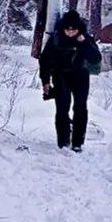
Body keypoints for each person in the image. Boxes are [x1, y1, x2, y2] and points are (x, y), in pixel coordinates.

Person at [39, 10, 102, 152]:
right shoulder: (56, 38)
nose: (70, 32)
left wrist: (84, 43)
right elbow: (45, 61)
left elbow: (96, 58)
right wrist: (45, 81)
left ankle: (78, 142)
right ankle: (63, 141)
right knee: (62, 107)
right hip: (60, 76)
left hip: (81, 75)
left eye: (73, 30)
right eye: (67, 29)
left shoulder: (85, 38)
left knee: (80, 108)